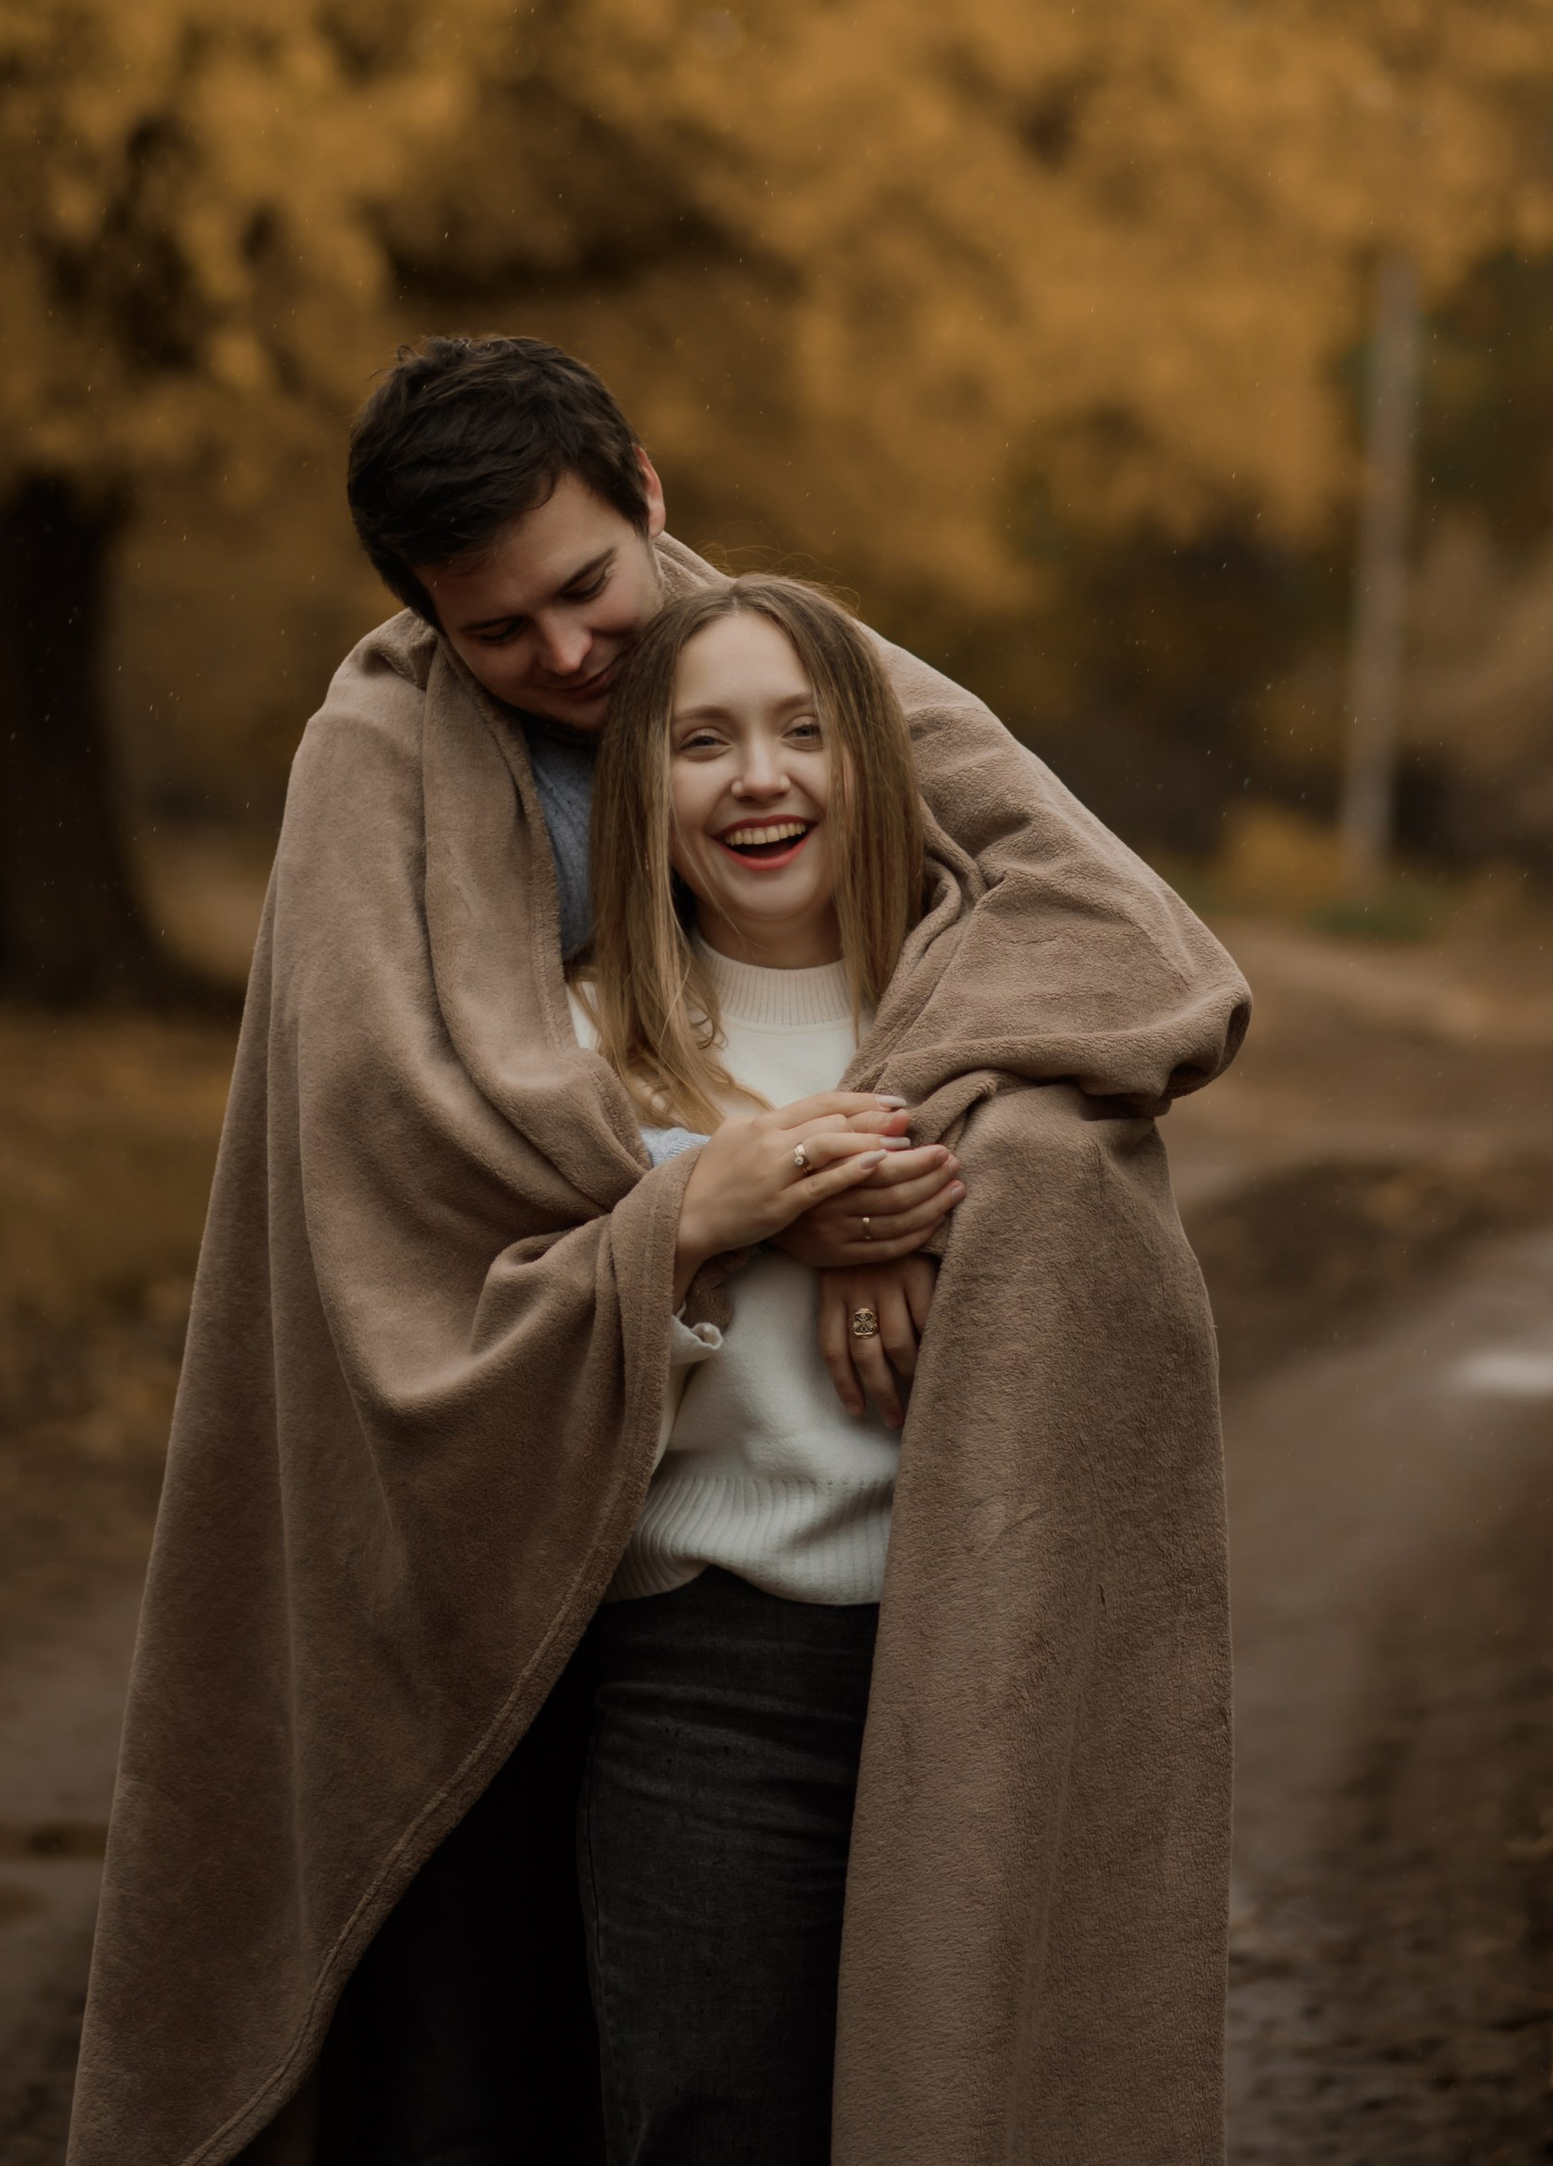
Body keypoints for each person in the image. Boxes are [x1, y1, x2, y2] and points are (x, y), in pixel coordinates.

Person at [68, 338, 1250, 2166]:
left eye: (584, 586)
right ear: (418, 628)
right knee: (497, 2056)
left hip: (775, 1539)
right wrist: (728, 1190)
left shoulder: (774, 667)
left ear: (647, 494)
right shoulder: (373, 759)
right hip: (503, 1491)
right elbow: (400, 1146)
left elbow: (1117, 934)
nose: (563, 658)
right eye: (493, 631)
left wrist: (878, 1154)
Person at [572, 574, 965, 2160]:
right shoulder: (580, 1044)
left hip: (972, 1645)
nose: (760, 778)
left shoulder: (974, 1010)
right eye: (702, 742)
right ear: (639, 791)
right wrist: (712, 1219)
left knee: (961, 2104)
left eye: (806, 732)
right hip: (701, 1683)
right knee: (710, 2118)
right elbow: (517, 1372)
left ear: (871, 762)